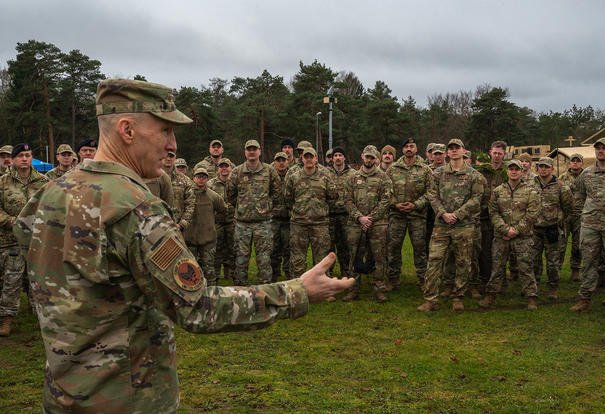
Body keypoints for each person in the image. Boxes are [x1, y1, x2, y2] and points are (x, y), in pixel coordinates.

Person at [13, 79, 353, 412]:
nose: (173, 145)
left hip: (64, 397)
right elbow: (198, 307)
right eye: (165, 131)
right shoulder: (135, 209)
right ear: (127, 130)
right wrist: (297, 292)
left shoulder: (49, 194)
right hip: (129, 399)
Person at [417, 139, 485, 312]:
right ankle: (430, 299)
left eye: (457, 148)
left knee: (463, 261)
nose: (454, 151)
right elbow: (432, 195)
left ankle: (458, 296)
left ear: (464, 151)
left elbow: (477, 198)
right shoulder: (438, 174)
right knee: (434, 260)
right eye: (451, 149)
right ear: (447, 153)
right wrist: (443, 213)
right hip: (441, 225)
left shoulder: (474, 175)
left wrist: (458, 214)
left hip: (464, 225)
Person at [478, 160, 540, 310]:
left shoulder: (531, 190)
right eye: (511, 169)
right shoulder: (498, 191)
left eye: (516, 169)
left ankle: (531, 297)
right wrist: (505, 230)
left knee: (525, 267)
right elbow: (493, 212)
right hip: (501, 236)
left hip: (522, 236)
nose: (513, 171)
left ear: (521, 171)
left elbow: (532, 214)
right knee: (497, 267)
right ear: (507, 171)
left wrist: (516, 230)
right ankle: (491, 295)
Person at [0, 143, 48, 336]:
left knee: (40, 279)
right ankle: (6, 319)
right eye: (20, 155)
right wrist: (13, 221)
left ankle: (44, 317)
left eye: (28, 155)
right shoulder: (3, 182)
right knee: (11, 280)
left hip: (37, 240)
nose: (25, 159)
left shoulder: (43, 181)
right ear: (12, 160)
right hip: (11, 239)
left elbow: (51, 207)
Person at [570, 137, 605, 317]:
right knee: (588, 262)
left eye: (604, 148)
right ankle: (584, 299)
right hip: (590, 225)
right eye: (598, 148)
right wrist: (586, 215)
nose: (600, 151)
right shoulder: (587, 173)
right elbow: (580, 195)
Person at [228, 139, 281, 285]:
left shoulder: (269, 171)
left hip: (263, 223)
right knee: (241, 258)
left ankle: (265, 289)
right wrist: (241, 209)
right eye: (249, 149)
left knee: (264, 259)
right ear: (245, 152)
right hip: (242, 224)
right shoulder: (237, 172)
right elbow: (230, 195)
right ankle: (240, 290)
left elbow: (277, 194)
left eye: (254, 149)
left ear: (259, 151)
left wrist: (268, 209)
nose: (252, 152)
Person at [343, 146, 393, 302]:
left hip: (377, 224)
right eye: (367, 157)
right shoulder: (352, 177)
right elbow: (347, 200)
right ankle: (353, 288)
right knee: (353, 255)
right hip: (355, 224)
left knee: (379, 256)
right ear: (362, 156)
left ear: (376, 159)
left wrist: (370, 218)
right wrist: (359, 217)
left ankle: (379, 289)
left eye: (372, 157)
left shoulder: (384, 178)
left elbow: (386, 200)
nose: (369, 160)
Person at [385, 138, 432, 290]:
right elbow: (386, 192)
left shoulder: (425, 169)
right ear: (402, 150)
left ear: (416, 149)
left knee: (420, 247)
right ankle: (393, 279)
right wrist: (395, 204)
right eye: (406, 146)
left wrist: (416, 204)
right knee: (394, 246)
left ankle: (423, 279)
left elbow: (431, 192)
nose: (409, 149)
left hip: (417, 215)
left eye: (411, 146)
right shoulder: (392, 169)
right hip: (397, 215)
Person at [285, 147, 338, 278]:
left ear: (316, 159)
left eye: (311, 157)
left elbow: (332, 197)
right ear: (302, 159)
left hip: (320, 224)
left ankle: (322, 287)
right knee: (297, 259)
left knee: (321, 260)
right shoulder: (294, 177)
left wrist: (320, 210)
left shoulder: (325, 176)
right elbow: (288, 198)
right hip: (299, 224)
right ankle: (298, 289)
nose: (308, 159)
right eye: (306, 157)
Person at [531, 157, 573, 299]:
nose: (543, 169)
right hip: (534, 229)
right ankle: (533, 286)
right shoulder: (530, 184)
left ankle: (553, 288)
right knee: (534, 260)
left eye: (546, 166)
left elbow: (568, 207)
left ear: (552, 169)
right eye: (541, 166)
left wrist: (558, 218)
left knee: (553, 262)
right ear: (537, 168)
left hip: (552, 229)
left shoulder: (561, 186)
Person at [474, 140, 508, 294]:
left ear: (504, 155)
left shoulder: (507, 172)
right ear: (490, 152)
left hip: (502, 216)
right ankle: (485, 279)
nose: (496, 156)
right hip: (484, 216)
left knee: (501, 251)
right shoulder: (482, 171)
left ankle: (501, 280)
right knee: (485, 250)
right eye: (494, 152)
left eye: (500, 153)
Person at [184, 167, 227, 286]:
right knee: (190, 270)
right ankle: (192, 292)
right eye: (198, 176)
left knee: (208, 270)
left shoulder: (213, 196)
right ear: (193, 178)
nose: (201, 179)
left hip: (208, 239)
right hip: (190, 238)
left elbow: (224, 209)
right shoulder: (187, 194)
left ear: (207, 179)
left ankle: (211, 293)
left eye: (203, 177)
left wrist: (212, 222)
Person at [328, 147, 356, 279]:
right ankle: (328, 273)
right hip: (330, 216)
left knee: (345, 245)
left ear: (344, 157)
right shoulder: (325, 173)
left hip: (346, 216)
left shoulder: (353, 174)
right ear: (332, 158)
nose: (338, 158)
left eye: (340, 155)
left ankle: (346, 271)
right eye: (335, 155)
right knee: (329, 246)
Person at [207, 158, 237, 282]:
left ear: (231, 168)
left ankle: (231, 274)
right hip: (217, 222)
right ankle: (216, 275)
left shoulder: (235, 182)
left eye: (226, 166)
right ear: (218, 168)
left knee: (233, 248)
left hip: (232, 221)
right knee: (217, 249)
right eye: (221, 166)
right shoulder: (211, 184)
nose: (224, 169)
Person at [558, 153, 584, 281]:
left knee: (577, 245)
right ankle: (556, 269)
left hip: (581, 216)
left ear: (581, 163)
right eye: (573, 161)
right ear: (569, 163)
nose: (575, 163)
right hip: (565, 216)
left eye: (578, 161)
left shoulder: (587, 176)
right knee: (561, 244)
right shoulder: (562, 178)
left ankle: (575, 269)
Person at [270, 151, 292, 281]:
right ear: (275, 162)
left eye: (283, 160)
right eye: (278, 160)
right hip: (274, 219)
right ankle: (274, 274)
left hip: (289, 219)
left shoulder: (293, 175)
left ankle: (289, 273)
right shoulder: (270, 176)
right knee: (273, 249)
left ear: (287, 161)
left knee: (289, 248)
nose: (281, 162)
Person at [163, 151, 196, 231]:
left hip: (178, 227)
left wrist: (182, 224)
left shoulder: (185, 180)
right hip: (157, 225)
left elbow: (191, 204)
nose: (168, 158)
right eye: (166, 156)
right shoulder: (152, 176)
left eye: (171, 156)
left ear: (175, 158)